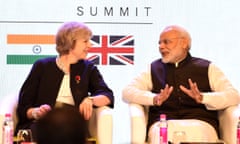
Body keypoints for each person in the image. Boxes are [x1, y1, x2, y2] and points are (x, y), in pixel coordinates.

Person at [122, 25, 240, 143]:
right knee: (162, 133)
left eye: (166, 42)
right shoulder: (153, 68)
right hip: (164, 124)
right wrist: (154, 98)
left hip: (200, 125)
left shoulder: (207, 67)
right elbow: (127, 92)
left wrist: (203, 97)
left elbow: (233, 96)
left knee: (197, 133)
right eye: (159, 43)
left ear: (184, 44)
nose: (161, 47)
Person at [15, 21, 114, 140]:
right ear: (71, 43)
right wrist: (36, 112)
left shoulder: (88, 68)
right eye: (85, 41)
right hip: (43, 124)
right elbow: (24, 106)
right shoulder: (42, 66)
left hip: (72, 126)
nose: (90, 45)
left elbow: (108, 95)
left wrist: (90, 100)